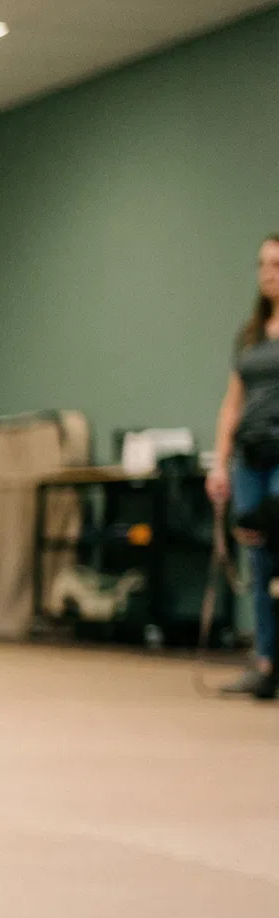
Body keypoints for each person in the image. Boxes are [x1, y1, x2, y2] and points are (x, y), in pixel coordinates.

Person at [206, 233, 279, 702]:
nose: (269, 273)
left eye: (277, 264)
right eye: (263, 264)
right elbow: (232, 404)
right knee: (258, 559)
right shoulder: (250, 334)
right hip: (250, 459)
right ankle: (265, 661)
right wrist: (220, 463)